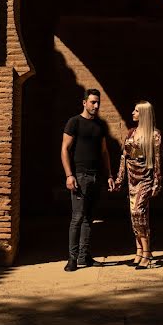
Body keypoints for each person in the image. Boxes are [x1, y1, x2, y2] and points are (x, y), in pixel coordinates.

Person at [61, 88, 115, 272]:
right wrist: (69, 175)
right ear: (84, 102)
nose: (96, 105)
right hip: (80, 176)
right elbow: (64, 149)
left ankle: (84, 256)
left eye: (98, 102)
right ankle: (72, 258)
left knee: (88, 218)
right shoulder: (74, 122)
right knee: (77, 217)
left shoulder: (100, 126)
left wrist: (109, 175)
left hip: (96, 177)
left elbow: (104, 152)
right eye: (93, 102)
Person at [113, 100, 162, 270]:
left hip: (146, 178)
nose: (132, 113)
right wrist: (119, 179)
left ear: (143, 114)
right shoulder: (131, 133)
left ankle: (147, 254)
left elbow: (157, 161)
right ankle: (139, 251)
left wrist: (157, 182)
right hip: (131, 178)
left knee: (138, 212)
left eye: (136, 111)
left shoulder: (154, 135)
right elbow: (123, 157)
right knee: (135, 215)